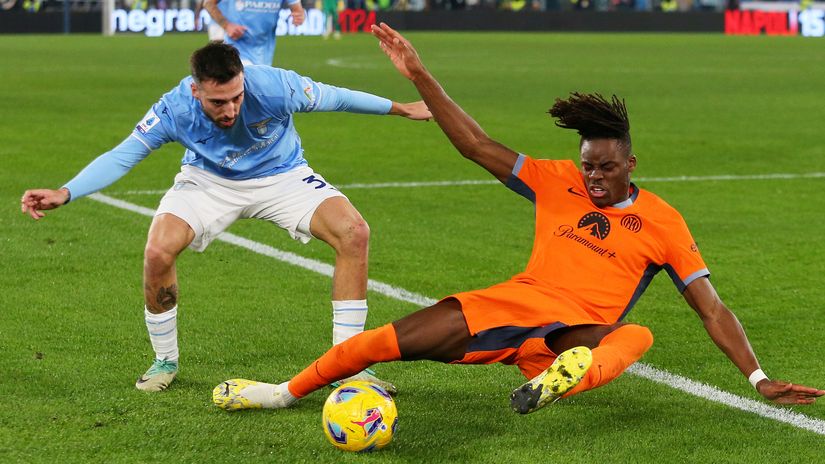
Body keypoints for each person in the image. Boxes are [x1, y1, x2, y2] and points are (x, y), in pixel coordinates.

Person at [210, 23, 824, 413]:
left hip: (571, 334)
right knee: (379, 343)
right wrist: (419, 75)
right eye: (588, 166)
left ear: (630, 164)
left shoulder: (664, 221)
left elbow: (711, 308)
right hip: (511, 305)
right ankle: (281, 394)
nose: (594, 177)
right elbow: (476, 145)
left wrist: (758, 377)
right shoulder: (558, 180)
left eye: (607, 168)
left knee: (635, 336)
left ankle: (559, 377)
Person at [20, 42, 431, 393]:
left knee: (354, 232)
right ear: (195, 90)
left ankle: (348, 365)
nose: (231, 108)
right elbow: (123, 155)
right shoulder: (173, 109)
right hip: (209, 181)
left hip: (283, 175)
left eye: (237, 96)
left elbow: (336, 97)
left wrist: (401, 109)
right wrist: (66, 192)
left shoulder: (275, 86)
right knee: (158, 250)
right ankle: (165, 361)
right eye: (218, 102)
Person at [204, 0, 306, 65]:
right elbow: (208, 3)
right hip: (238, 48)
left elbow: (298, 11)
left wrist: (300, 16)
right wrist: (227, 26)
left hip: (265, 51)